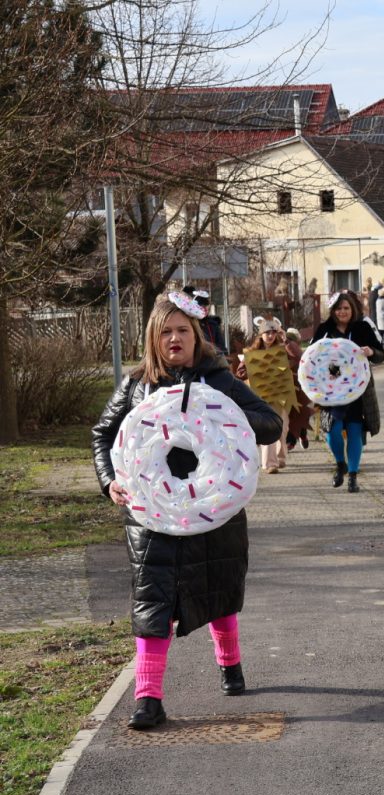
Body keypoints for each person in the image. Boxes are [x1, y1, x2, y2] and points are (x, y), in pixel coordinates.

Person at [90, 293, 283, 729]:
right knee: (152, 601)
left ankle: (230, 665)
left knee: (218, 591)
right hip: (151, 513)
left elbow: (270, 423)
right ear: (152, 339)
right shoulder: (137, 384)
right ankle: (148, 699)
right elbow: (103, 435)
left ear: (197, 336)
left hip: (213, 507)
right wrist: (109, 481)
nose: (174, 339)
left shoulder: (218, 380)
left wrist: (226, 413)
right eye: (165, 331)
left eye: (182, 330)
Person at [312, 290, 384, 493]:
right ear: (333, 310)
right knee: (333, 431)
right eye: (338, 308)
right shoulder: (325, 329)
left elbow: (381, 354)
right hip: (331, 391)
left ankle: (353, 475)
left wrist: (371, 352)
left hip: (357, 391)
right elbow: (312, 356)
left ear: (351, 309)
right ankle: (339, 464)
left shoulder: (362, 327)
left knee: (354, 430)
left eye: (346, 308)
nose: (342, 312)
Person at [234, 316, 302, 474]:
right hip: (262, 396)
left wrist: (286, 341)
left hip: (281, 395)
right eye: (267, 333)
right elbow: (240, 372)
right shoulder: (252, 353)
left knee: (283, 428)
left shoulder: (283, 349)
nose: (270, 336)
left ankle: (280, 457)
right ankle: (269, 463)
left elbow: (298, 357)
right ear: (261, 335)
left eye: (273, 332)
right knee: (269, 427)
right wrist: (253, 372)